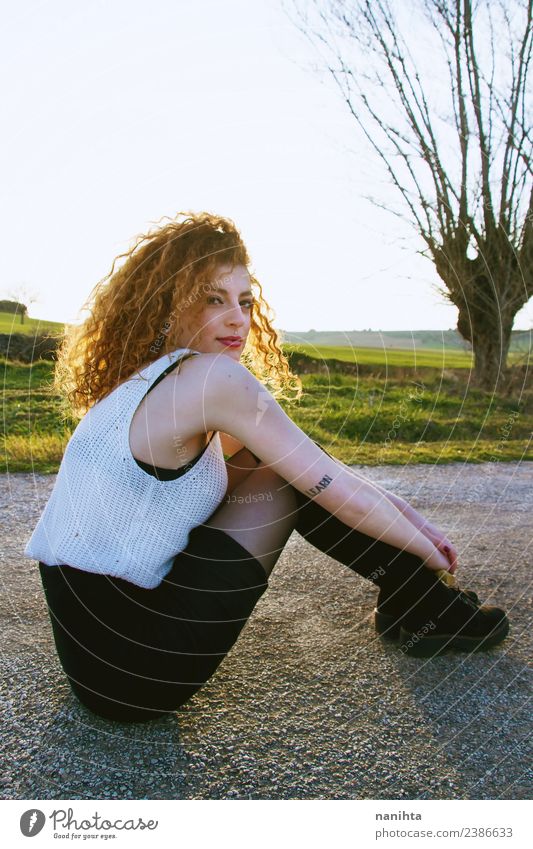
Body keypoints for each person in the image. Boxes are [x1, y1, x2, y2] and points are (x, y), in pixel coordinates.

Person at [24, 211, 509, 723]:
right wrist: (427, 547)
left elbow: (321, 468)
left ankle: (416, 601)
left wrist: (413, 522)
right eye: (214, 299)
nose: (238, 319)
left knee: (278, 465)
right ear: (169, 303)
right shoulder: (210, 379)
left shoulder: (149, 380)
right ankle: (422, 605)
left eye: (245, 301)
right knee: (284, 477)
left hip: (99, 662)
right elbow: (327, 485)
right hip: (136, 673)